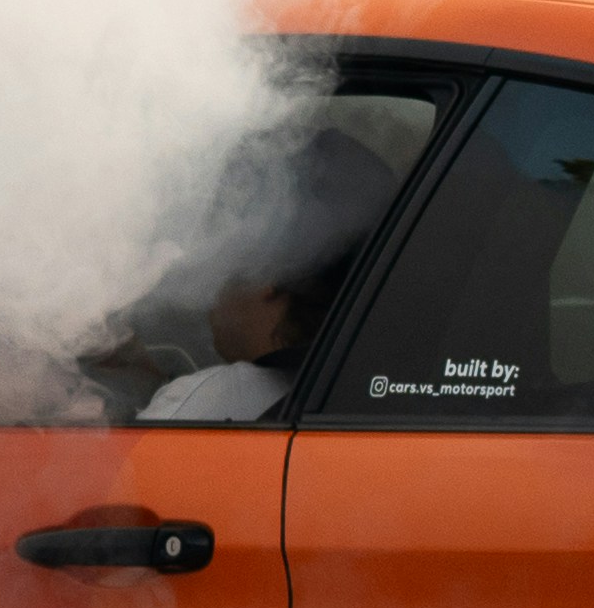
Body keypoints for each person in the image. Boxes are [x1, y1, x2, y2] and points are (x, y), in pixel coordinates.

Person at [141, 125, 402, 423]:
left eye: (228, 239)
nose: (214, 264)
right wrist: (145, 372)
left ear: (270, 269)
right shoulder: (377, 391)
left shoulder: (206, 403)